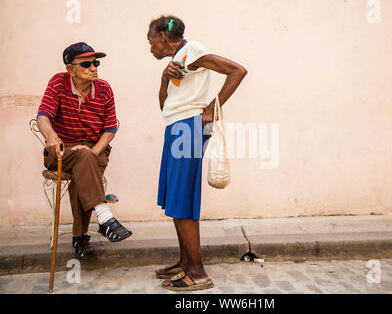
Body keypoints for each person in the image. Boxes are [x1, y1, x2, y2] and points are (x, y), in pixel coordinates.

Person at [147, 15, 247, 291]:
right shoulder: (178, 60)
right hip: (177, 126)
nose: (150, 46)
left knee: (183, 199)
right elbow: (164, 105)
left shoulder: (194, 51)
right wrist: (164, 77)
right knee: (176, 198)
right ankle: (185, 263)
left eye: (151, 40)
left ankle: (198, 273)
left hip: (189, 129)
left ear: (163, 38)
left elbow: (238, 70)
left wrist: (211, 108)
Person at [36, 42, 132, 258]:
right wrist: (51, 136)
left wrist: (93, 152)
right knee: (84, 162)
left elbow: (109, 129)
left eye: (96, 63)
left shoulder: (104, 88)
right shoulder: (58, 83)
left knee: (85, 163)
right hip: (61, 151)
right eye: (86, 63)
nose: (94, 68)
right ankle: (104, 218)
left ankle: (81, 237)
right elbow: (43, 116)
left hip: (94, 149)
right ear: (70, 69)